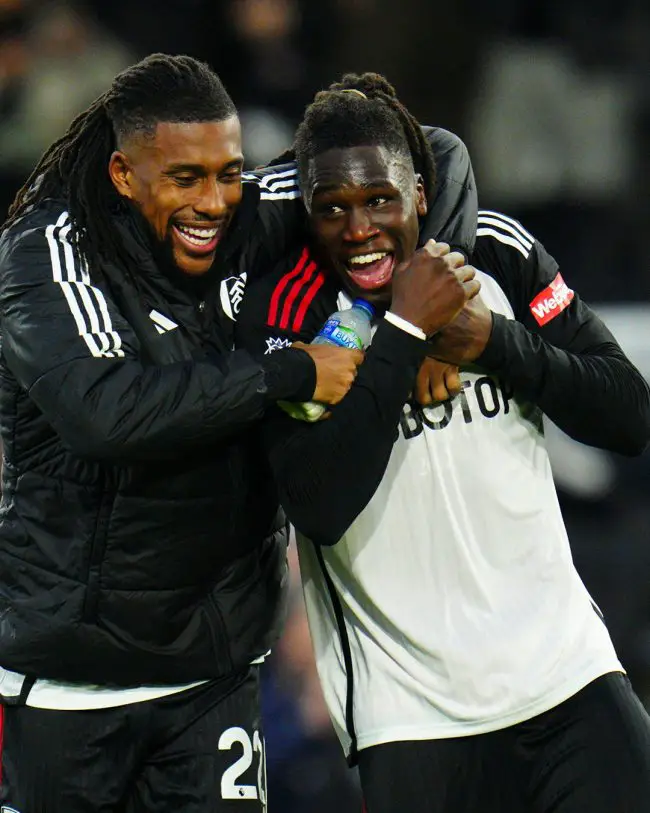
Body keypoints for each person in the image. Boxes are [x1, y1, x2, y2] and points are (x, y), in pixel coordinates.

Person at [0, 54, 478, 810]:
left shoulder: (252, 212)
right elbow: (102, 411)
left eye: (228, 172)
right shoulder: (49, 251)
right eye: (185, 179)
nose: (214, 202)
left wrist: (429, 322)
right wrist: (288, 371)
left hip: (214, 672)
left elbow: (434, 155)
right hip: (74, 679)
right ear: (124, 174)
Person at [236, 72, 650, 813]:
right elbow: (319, 506)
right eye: (332, 208)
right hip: (414, 718)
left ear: (420, 195)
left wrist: (495, 344)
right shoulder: (288, 312)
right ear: (307, 213)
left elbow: (628, 415)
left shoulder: (496, 253)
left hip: (569, 675)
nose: (359, 228)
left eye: (380, 200)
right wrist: (404, 334)